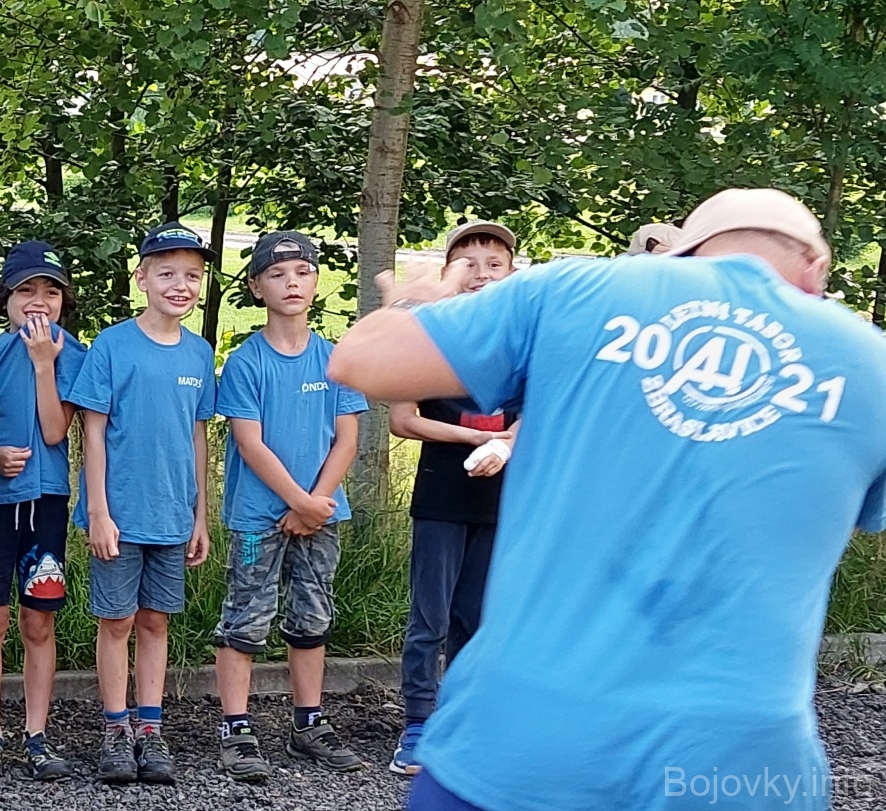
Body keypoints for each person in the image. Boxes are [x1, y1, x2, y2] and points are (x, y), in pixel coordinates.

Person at [329, 188, 886, 811]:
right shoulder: (871, 361)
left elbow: (362, 363)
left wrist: (417, 300)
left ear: (683, 254)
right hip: (741, 764)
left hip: (524, 738)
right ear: (815, 271)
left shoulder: (579, 290)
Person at [211, 231, 368, 782]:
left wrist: (315, 504)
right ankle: (236, 728)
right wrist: (298, 502)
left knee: (313, 616)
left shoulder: (336, 358)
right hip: (260, 519)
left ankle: (309, 723)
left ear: (316, 281)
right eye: (277, 275)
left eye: (302, 272)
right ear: (257, 288)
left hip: (322, 516)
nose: (291, 283)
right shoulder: (246, 362)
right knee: (246, 619)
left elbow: (346, 439)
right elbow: (250, 443)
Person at [69, 221, 217, 785]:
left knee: (156, 620)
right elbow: (93, 432)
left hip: (173, 515)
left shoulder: (199, 353)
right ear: (142, 279)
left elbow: (198, 436)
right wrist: (98, 511)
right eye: (167, 274)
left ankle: (150, 729)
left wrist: (200, 515)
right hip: (121, 514)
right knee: (117, 620)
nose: (180, 286)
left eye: (192, 277)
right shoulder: (112, 346)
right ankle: (115, 727)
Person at [385, 221, 523, 776]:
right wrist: (476, 439)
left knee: (478, 617)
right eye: (468, 264)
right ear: (448, 273)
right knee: (430, 618)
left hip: (501, 502)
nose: (481, 274)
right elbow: (402, 420)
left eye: (494, 264)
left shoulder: (522, 342)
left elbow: (540, 413)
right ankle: (419, 722)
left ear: (512, 272)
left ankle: (463, 721)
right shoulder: (430, 337)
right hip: (440, 498)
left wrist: (507, 445)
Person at [0, 240, 84, 782]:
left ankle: (37, 733)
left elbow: (56, 431)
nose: (38, 301)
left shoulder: (74, 355)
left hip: (47, 502)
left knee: (39, 620)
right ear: (4, 300)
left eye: (50, 292)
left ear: (64, 301)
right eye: (25, 291)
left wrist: (42, 365)